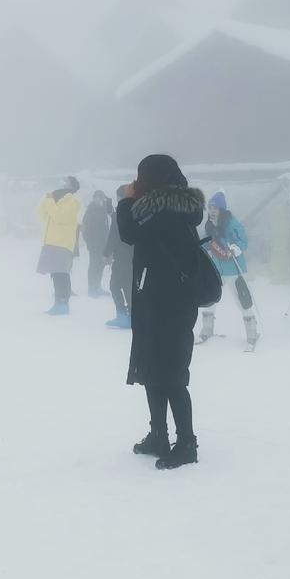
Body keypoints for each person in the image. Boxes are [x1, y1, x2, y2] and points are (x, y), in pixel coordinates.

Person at [118, 155, 206, 470]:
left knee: (169, 375)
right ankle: (159, 434)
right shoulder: (175, 207)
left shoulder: (159, 209)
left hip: (166, 303)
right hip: (162, 301)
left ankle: (186, 443)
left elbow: (127, 232)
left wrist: (126, 201)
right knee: (154, 372)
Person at [197, 191, 260, 350]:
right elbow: (207, 241)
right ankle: (206, 330)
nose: (211, 211)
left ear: (222, 210)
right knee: (209, 297)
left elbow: (243, 241)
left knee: (242, 300)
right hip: (216, 268)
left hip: (234, 269)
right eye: (210, 207)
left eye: (215, 208)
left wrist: (235, 248)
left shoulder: (232, 223)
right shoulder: (209, 225)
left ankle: (252, 333)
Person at [36, 177, 81, 315]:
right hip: (51, 241)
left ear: (72, 186)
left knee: (61, 273)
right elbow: (41, 214)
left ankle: (63, 303)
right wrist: (47, 199)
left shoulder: (72, 201)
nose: (62, 183)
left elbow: (60, 217)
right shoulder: (55, 199)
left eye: (66, 181)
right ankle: (58, 302)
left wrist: (50, 201)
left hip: (62, 242)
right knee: (55, 273)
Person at [104, 183, 135, 329]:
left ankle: (122, 315)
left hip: (121, 255)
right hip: (133, 256)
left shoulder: (119, 213)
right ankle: (132, 316)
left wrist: (106, 253)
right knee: (128, 285)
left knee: (114, 285)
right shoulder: (137, 212)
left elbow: (113, 235)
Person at [81, 190, 114, 297]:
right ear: (94, 198)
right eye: (97, 198)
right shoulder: (90, 211)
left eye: (101, 198)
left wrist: (107, 200)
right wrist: (89, 242)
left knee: (101, 265)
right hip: (94, 245)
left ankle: (97, 286)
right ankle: (91, 287)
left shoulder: (103, 210)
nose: (99, 200)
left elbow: (111, 211)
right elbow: (84, 229)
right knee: (94, 265)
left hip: (104, 243)